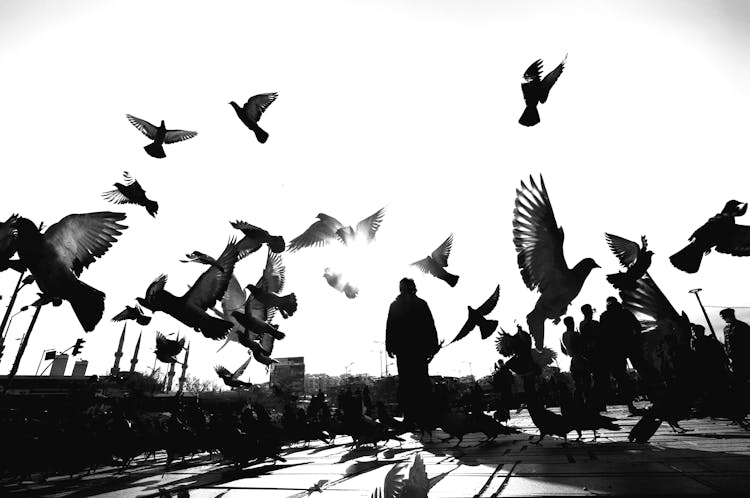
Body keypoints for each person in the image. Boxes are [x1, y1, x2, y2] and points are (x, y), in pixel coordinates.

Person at [385, 277, 441, 427]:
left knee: (406, 383)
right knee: (421, 381)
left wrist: (390, 346)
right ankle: (426, 416)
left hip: (403, 351)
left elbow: (390, 328)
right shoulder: (421, 304)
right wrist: (433, 346)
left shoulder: (395, 306)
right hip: (419, 350)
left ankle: (409, 416)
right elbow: (430, 326)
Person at [598, 296, 642, 413]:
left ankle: (630, 405)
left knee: (622, 377)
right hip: (629, 344)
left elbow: (602, 335)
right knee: (640, 370)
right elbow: (637, 327)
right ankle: (652, 398)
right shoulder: (625, 313)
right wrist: (636, 339)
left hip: (615, 349)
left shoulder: (605, 316)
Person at [579, 304, 606, 411]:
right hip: (595, 352)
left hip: (590, 353)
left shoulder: (583, 324)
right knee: (599, 378)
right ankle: (597, 403)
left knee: (596, 378)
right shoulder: (593, 324)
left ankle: (596, 402)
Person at [561, 316, 591, 405]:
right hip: (580, 360)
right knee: (586, 382)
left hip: (573, 361)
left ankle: (579, 402)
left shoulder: (564, 335)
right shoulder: (574, 334)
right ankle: (586, 401)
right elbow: (581, 347)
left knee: (578, 383)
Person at [719, 308, 750, 384]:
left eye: (723, 317)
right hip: (732, 357)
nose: (723, 319)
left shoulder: (742, 326)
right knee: (738, 379)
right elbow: (726, 343)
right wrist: (727, 355)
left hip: (743, 357)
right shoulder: (726, 329)